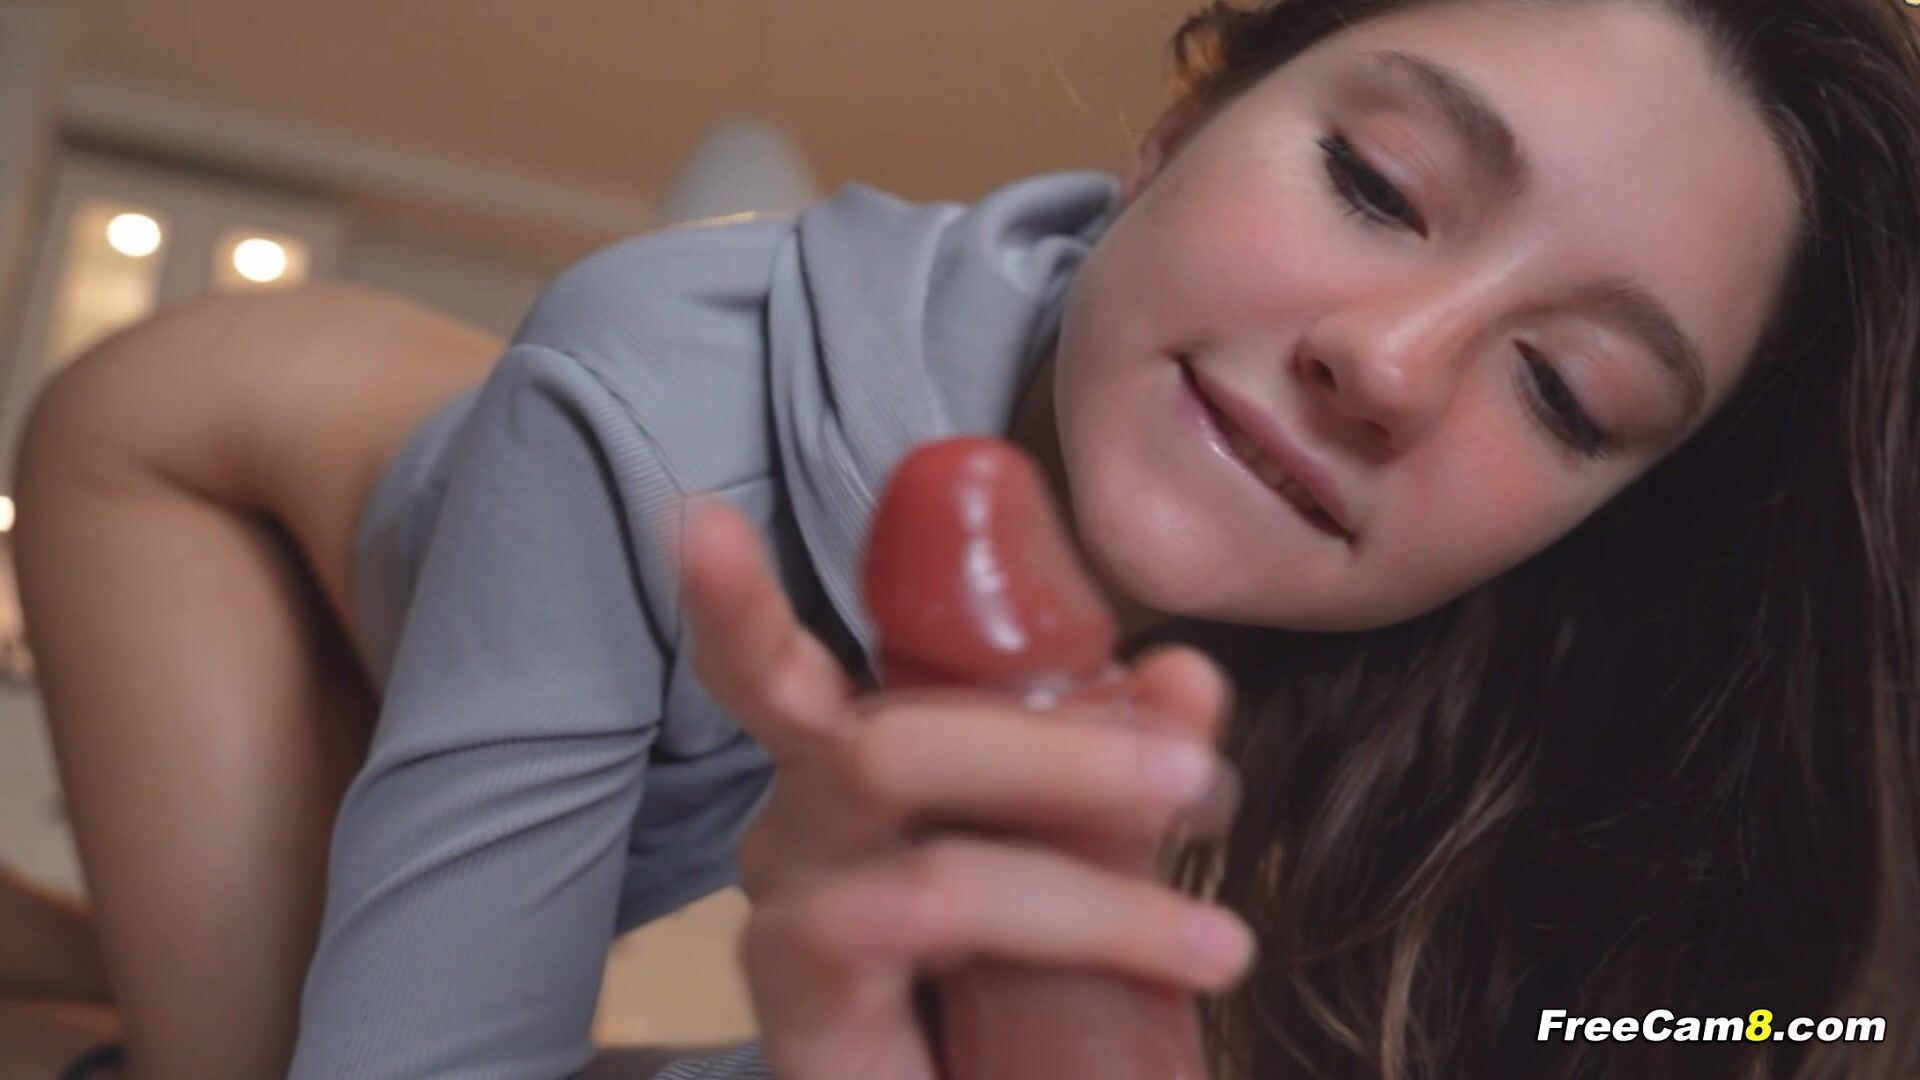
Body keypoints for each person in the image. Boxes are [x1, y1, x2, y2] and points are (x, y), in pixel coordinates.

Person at [4, 0, 1919, 1077]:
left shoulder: (1458, 686)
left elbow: (1730, 1023)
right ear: (1173, 130)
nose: (1391, 366)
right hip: (214, 486)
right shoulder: (646, 425)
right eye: (1374, 179)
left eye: (1568, 393)